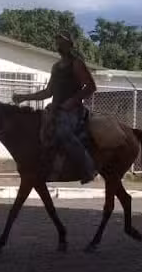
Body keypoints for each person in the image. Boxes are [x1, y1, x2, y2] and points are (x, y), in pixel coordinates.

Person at [12, 31, 98, 183]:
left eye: (63, 42)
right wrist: (24, 97)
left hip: (73, 111)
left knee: (63, 132)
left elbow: (91, 87)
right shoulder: (56, 67)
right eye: (57, 41)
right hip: (55, 109)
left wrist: (72, 101)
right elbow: (48, 92)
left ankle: (88, 168)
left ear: (70, 45)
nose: (59, 44)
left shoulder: (76, 63)